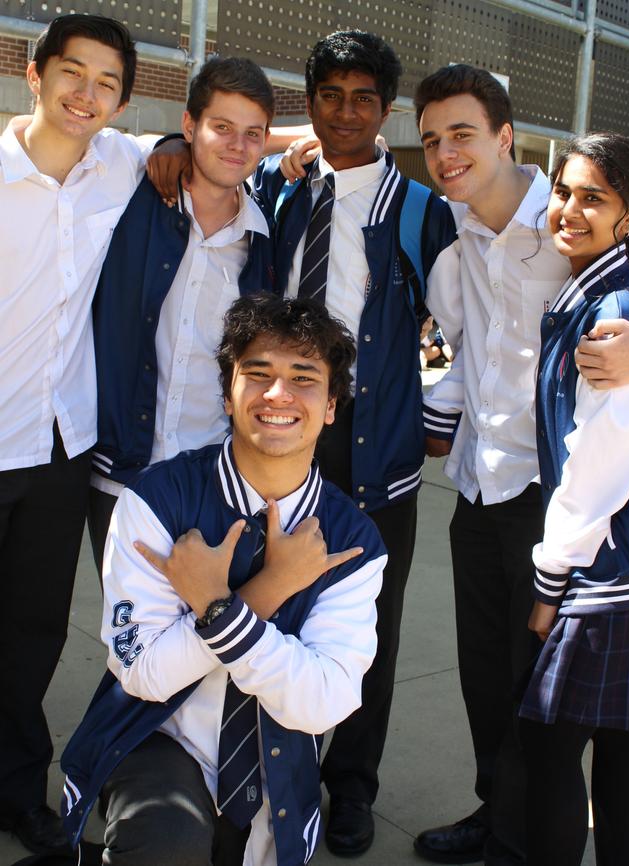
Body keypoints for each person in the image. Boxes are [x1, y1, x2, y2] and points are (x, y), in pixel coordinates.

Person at [415, 66, 629, 866]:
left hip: (554, 504)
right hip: (476, 489)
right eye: (434, 138)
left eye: (464, 134)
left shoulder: (575, 228)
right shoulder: (449, 225)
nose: (447, 154)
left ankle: (521, 845)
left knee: (541, 706)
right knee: (487, 684)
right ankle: (497, 818)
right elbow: (467, 350)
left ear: (504, 137)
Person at [59, 294, 387, 866]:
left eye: (303, 378)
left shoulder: (352, 541)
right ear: (229, 393)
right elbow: (143, 674)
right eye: (256, 374)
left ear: (332, 404)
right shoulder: (158, 501)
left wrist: (218, 604)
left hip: (274, 761)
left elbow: (323, 703)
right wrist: (267, 592)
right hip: (156, 738)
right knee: (167, 841)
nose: (278, 394)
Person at [251, 30, 456, 856]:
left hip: (375, 453)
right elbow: (206, 152)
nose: (345, 112)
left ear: (387, 109)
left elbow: (475, 307)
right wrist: (165, 142)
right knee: (275, 606)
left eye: (363, 98)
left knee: (367, 625)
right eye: (330, 95)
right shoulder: (280, 185)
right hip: (279, 439)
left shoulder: (418, 210)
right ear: (309, 103)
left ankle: (352, 786)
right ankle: (275, 771)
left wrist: (445, 415)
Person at [0, 15, 144, 856]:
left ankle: (17, 790)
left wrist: (310, 137)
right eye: (73, 74)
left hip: (59, 449)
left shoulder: (119, 162)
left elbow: (213, 136)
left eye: (107, 84)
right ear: (34, 72)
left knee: (32, 634)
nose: (87, 95)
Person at [87, 55, 276, 574]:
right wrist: (164, 143)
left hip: (217, 482)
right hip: (122, 471)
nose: (238, 146)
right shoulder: (133, 194)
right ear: (190, 125)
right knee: (129, 643)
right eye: (221, 128)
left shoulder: (265, 242)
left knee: (213, 641)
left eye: (253, 134)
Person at [518, 132, 629, 866]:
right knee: (621, 740)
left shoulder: (617, 313)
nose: (569, 209)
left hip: (607, 570)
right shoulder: (604, 291)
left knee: (551, 746)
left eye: (592, 198)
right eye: (564, 191)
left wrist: (550, 578)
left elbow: (600, 462)